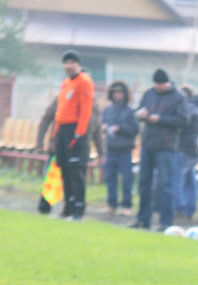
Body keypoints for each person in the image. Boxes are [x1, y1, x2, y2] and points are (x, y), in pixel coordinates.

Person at [130, 68, 188, 231]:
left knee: (164, 185)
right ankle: (143, 219)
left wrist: (160, 119)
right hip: (147, 144)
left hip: (166, 147)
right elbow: (138, 110)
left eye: (160, 84)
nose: (158, 87)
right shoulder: (149, 93)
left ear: (167, 82)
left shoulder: (178, 98)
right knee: (143, 183)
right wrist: (139, 113)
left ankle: (166, 222)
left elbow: (183, 120)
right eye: (155, 84)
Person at [36, 94, 103, 216]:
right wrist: (41, 140)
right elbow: (47, 117)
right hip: (59, 144)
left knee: (75, 178)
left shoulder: (92, 104)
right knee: (53, 175)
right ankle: (46, 204)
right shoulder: (64, 97)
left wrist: (101, 152)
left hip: (80, 146)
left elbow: (96, 129)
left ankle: (73, 209)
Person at [53, 50, 95, 220]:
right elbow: (61, 110)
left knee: (76, 171)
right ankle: (68, 207)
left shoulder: (84, 82)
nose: (69, 65)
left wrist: (79, 134)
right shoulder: (65, 84)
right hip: (62, 129)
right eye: (66, 62)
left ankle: (79, 208)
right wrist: (55, 134)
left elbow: (86, 111)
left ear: (77, 64)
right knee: (64, 170)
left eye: (72, 62)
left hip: (75, 129)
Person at [101, 81, 138, 216]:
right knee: (110, 177)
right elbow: (103, 125)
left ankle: (127, 205)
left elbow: (135, 129)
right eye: (115, 93)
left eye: (120, 93)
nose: (117, 95)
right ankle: (111, 203)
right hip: (111, 148)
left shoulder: (130, 111)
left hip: (124, 149)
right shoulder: (107, 110)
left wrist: (120, 128)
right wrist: (104, 129)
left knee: (126, 178)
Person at [175, 85, 198, 220]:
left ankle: (181, 209)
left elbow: (182, 123)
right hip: (192, 149)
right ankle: (190, 209)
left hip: (185, 149)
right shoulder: (195, 106)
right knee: (190, 180)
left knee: (178, 179)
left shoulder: (188, 107)